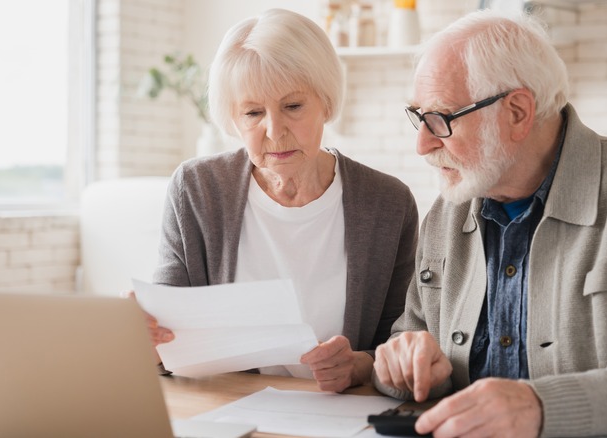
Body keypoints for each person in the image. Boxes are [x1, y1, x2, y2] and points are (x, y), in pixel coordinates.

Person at [372, 9, 607, 438]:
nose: (422, 144)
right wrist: (402, 364)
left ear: (518, 112)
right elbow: (409, 339)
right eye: (419, 116)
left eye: (441, 119)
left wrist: (540, 407)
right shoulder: (447, 210)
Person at [141, 8, 418, 393]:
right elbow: (166, 336)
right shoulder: (196, 189)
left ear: (325, 101)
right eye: (253, 112)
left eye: (293, 106)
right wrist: (145, 336)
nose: (275, 131)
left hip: (340, 413)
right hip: (226, 409)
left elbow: (403, 340)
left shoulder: (388, 203)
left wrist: (358, 365)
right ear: (234, 120)